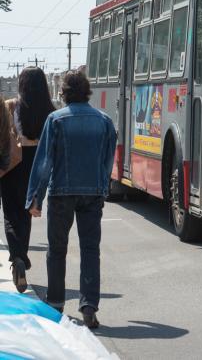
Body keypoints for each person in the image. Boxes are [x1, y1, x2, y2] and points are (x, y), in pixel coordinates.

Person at [26, 70, 117, 329]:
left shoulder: (55, 120)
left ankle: (55, 303)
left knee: (57, 250)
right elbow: (108, 158)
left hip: (61, 192)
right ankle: (89, 307)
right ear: (87, 91)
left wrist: (35, 198)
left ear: (64, 93)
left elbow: (44, 162)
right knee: (90, 250)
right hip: (92, 192)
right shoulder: (104, 120)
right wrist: (102, 185)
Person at [1, 67, 55, 293]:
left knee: (11, 213)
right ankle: (21, 256)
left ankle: (18, 257)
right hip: (37, 164)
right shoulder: (50, 111)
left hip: (13, 163)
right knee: (27, 212)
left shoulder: (11, 106)